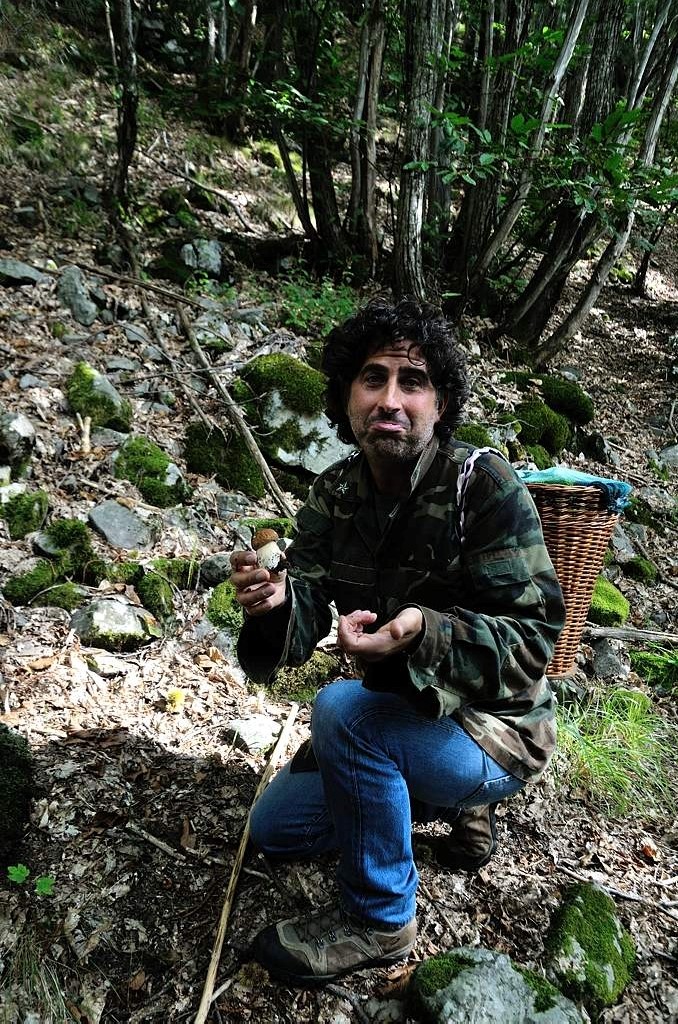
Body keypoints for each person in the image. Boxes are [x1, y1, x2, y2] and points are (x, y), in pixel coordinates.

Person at [230, 297, 565, 987]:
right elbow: (303, 612)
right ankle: (434, 798)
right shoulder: (336, 494)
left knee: (342, 712)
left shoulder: (483, 487)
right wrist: (276, 606)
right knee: (276, 831)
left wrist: (423, 634)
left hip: (495, 728)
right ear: (346, 397)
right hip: (403, 714)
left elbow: (536, 641)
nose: (390, 399)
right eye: (372, 378)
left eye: (412, 381)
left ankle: (380, 919)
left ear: (439, 405)